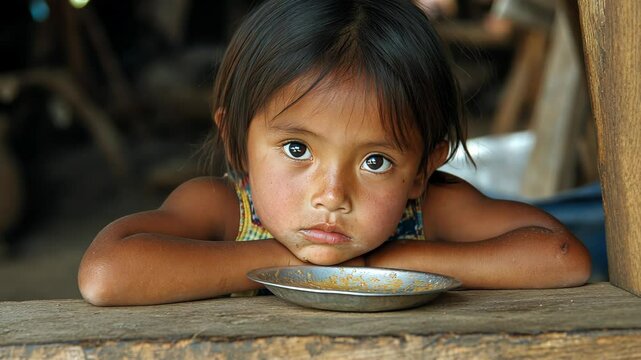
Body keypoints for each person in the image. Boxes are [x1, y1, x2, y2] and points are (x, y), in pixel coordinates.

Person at [78, 0, 591, 306]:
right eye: (298, 149)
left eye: (376, 162)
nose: (332, 196)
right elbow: (106, 275)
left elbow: (561, 257)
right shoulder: (224, 209)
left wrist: (390, 262)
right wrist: (288, 263)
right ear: (237, 142)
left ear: (421, 170)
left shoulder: (424, 212)